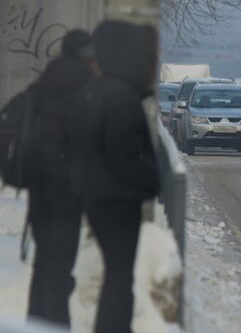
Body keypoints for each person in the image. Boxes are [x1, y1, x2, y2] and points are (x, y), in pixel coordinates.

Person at [68, 20, 160, 333]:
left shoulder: (97, 91)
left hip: (100, 198)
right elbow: (125, 157)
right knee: (120, 280)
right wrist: (154, 179)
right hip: (117, 202)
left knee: (117, 278)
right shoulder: (121, 97)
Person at [26, 29, 95, 328]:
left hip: (38, 181)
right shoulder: (89, 84)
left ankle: (35, 319)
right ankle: (56, 322)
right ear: (85, 54)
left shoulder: (44, 80)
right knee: (62, 254)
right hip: (69, 185)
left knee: (43, 256)